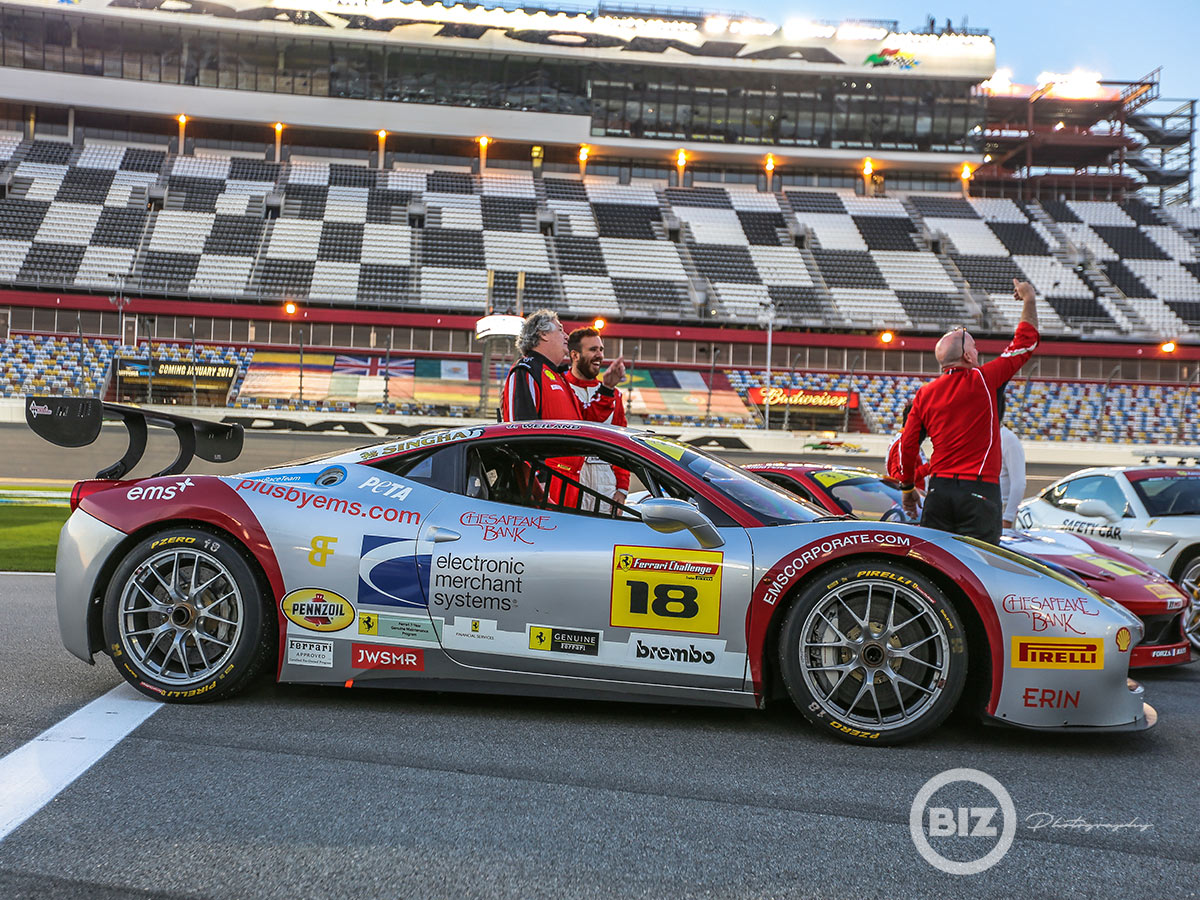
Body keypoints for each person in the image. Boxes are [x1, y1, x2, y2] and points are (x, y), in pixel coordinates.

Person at [898, 279, 1039, 544]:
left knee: (936, 568)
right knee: (980, 567)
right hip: (979, 491)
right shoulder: (985, 379)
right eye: (974, 346)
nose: (978, 350)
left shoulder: (924, 394)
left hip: (939, 491)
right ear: (967, 355)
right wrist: (1029, 299)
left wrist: (907, 488)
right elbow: (1026, 342)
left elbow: (907, 445)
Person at [500, 310, 625, 506]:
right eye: (560, 329)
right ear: (543, 334)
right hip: (548, 486)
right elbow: (519, 436)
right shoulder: (526, 369)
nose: (566, 335)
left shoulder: (558, 377)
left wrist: (607, 389)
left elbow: (585, 422)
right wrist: (536, 488)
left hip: (570, 483)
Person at [564, 326, 630, 512]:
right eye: (593, 349)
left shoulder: (614, 394)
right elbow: (583, 424)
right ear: (575, 355)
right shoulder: (560, 386)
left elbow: (621, 442)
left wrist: (622, 488)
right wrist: (606, 389)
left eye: (601, 349)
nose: (600, 355)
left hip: (606, 481)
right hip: (572, 476)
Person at [997, 389, 1026, 530]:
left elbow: (1019, 483)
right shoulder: (982, 437)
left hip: (1000, 509)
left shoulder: (1009, 439)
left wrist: (1007, 517)